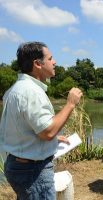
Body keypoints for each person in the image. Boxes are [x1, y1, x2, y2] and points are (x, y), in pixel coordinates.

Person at [0, 41, 82, 199]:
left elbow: (21, 128)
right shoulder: (31, 92)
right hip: (32, 170)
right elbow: (47, 132)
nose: (55, 62)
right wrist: (70, 104)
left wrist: (54, 139)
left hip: (20, 165)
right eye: (50, 58)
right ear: (37, 63)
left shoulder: (16, 89)